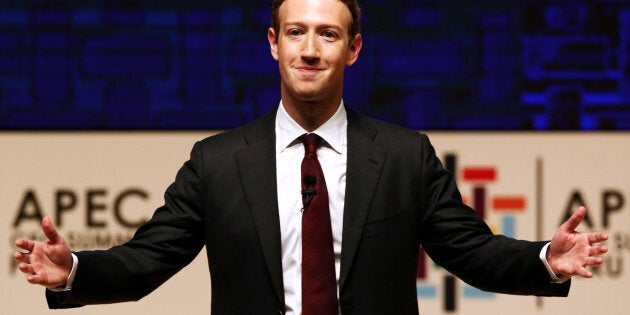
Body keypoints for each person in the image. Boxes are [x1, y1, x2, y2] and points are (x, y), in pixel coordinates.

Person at [14, 0, 609, 314]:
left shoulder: (405, 157)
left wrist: (544, 259)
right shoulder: (217, 163)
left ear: (353, 49)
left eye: (327, 34)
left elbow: (473, 253)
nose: (309, 50)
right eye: (295, 32)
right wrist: (75, 273)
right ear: (273, 44)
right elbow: (147, 261)